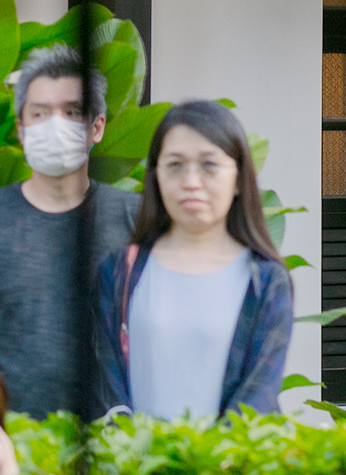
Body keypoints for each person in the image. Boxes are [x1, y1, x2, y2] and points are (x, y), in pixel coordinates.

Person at [95, 101, 295, 420]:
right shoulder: (119, 271)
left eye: (209, 165)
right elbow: (107, 387)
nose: (190, 181)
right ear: (156, 176)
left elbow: (257, 397)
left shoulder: (267, 281)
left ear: (240, 177)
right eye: (175, 165)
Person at [0, 46, 139, 421]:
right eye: (40, 113)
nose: (54, 125)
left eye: (72, 112)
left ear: (97, 127)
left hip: (116, 446)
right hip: (13, 448)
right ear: (21, 128)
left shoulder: (137, 219)